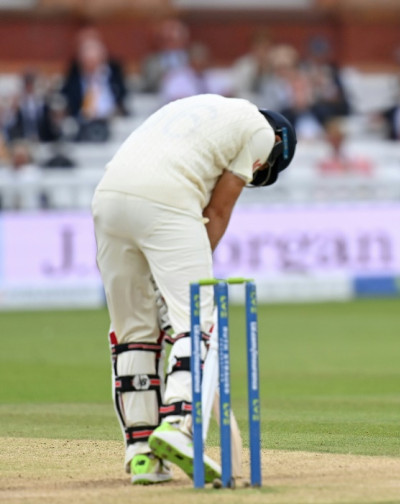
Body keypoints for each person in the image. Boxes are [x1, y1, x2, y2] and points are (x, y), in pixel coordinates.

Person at [91, 94, 296, 484]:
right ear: (277, 148)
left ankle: (142, 458)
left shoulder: (202, 109)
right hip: (165, 197)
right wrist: (183, 280)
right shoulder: (263, 133)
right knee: (199, 319)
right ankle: (177, 423)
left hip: (107, 198)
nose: (255, 170)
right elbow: (217, 211)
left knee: (133, 331)